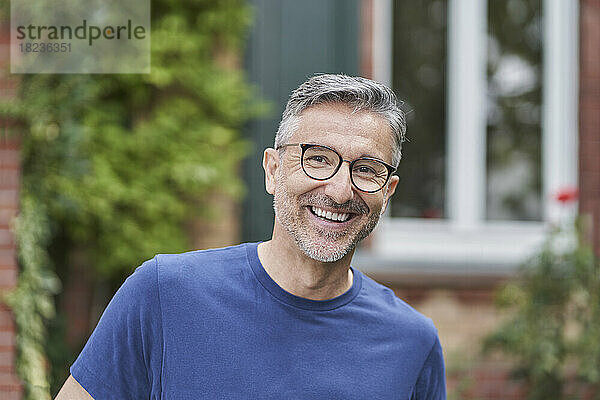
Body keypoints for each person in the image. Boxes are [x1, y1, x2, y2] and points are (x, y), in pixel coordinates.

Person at [56, 74, 446, 399]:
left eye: (366, 169)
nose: (340, 190)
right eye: (318, 159)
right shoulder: (163, 294)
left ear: (388, 191)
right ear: (273, 170)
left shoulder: (412, 343)